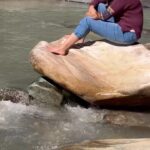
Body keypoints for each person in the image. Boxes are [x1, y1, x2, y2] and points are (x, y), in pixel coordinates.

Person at [48, 0, 143, 55]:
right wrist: (92, 7)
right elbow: (98, 1)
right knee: (100, 6)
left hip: (127, 34)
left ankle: (63, 48)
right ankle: (80, 38)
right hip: (123, 26)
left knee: (88, 21)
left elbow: (105, 16)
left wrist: (93, 15)